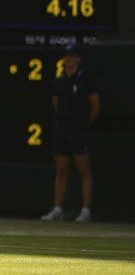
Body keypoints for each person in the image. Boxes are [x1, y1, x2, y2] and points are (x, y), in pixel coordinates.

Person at [41, 46, 100, 223]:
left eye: (72, 56)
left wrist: (84, 125)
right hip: (62, 130)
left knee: (84, 168)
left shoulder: (86, 81)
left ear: (78, 59)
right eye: (67, 56)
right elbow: (56, 105)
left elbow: (95, 106)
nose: (69, 59)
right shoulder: (58, 82)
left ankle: (85, 210)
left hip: (79, 131)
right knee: (61, 169)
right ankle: (57, 209)